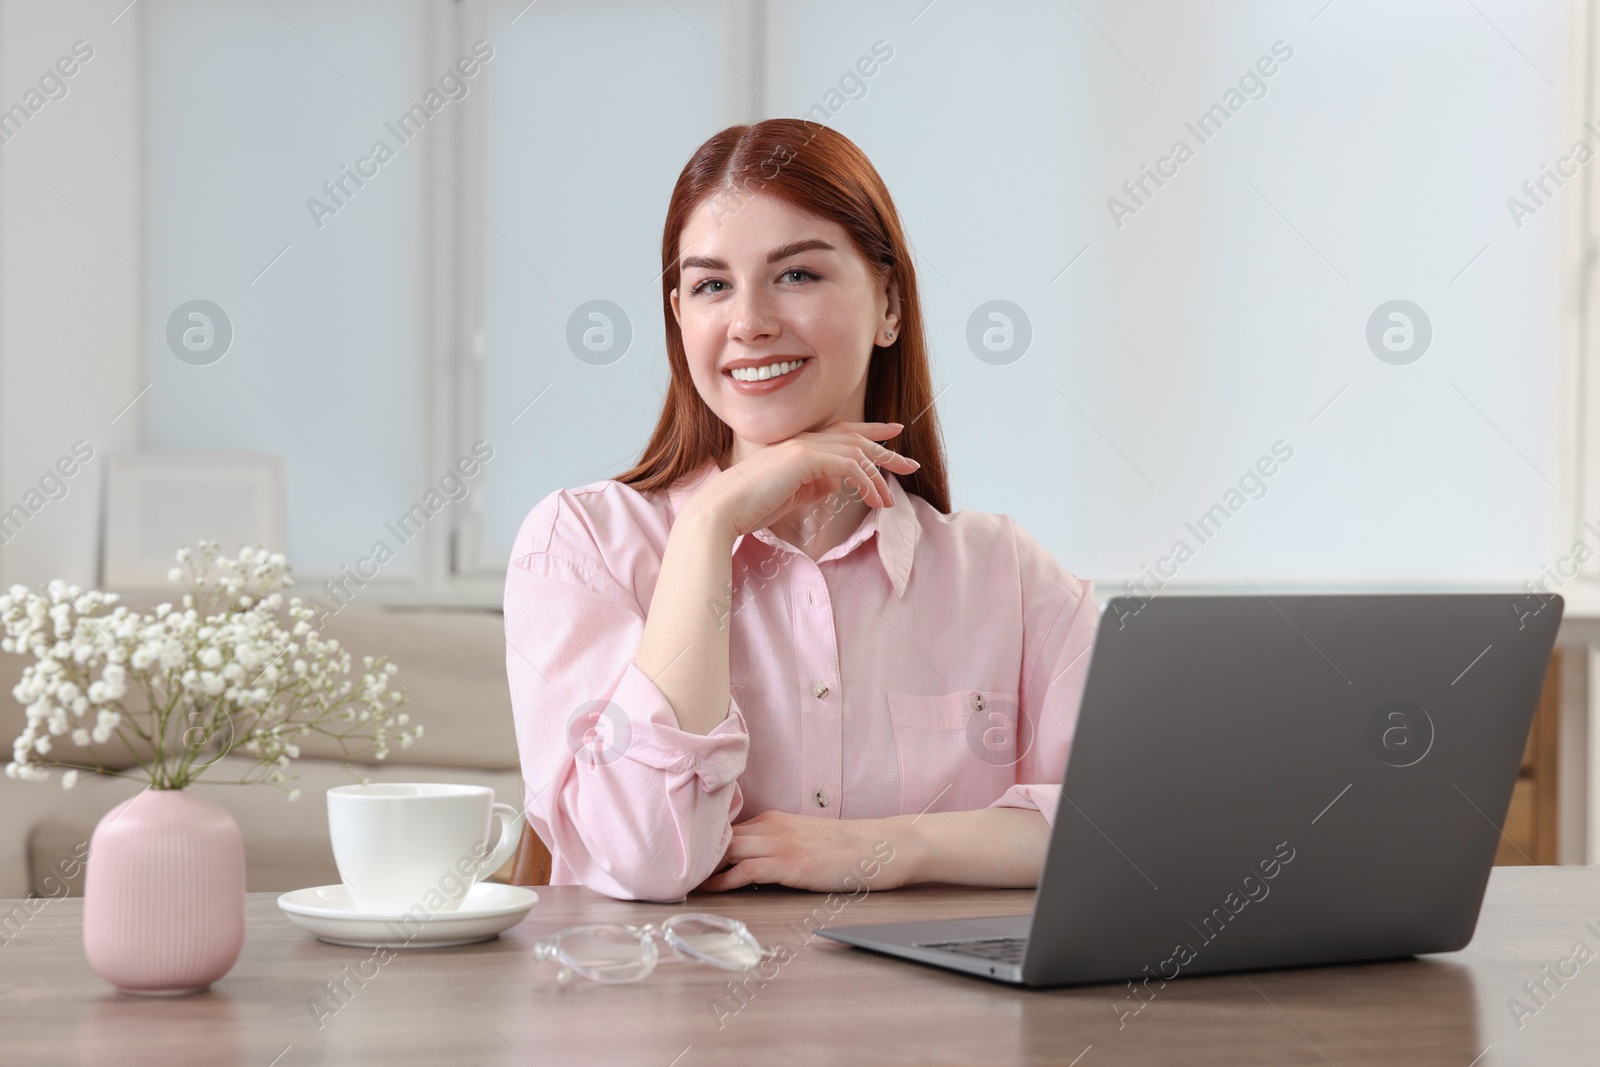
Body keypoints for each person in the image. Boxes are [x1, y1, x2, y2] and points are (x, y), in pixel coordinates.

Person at [504, 119, 1098, 903]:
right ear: (680, 318)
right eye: (712, 285)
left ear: (890, 304)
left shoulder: (1006, 575)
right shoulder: (581, 545)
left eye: (797, 275)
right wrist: (707, 527)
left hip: (930, 1023)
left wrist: (888, 846)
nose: (749, 321)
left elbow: (1134, 825)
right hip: (660, 1019)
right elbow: (648, 857)